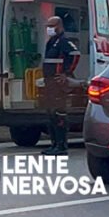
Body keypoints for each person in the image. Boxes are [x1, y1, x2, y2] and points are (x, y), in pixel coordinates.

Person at [40, 16, 81, 156]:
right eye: (48, 26)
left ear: (59, 26)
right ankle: (54, 144)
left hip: (58, 83)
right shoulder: (51, 42)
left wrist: (66, 73)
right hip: (49, 82)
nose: (49, 29)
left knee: (59, 113)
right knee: (50, 113)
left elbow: (75, 55)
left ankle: (61, 146)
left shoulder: (63, 41)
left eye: (51, 26)